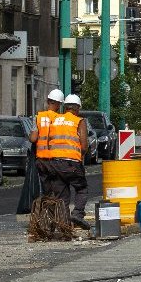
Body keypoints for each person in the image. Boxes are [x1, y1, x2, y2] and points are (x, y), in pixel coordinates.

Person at [18, 89, 64, 216]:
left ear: (48, 101)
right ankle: (54, 213)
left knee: (44, 187)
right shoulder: (61, 119)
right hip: (56, 160)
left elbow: (33, 139)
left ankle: (43, 213)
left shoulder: (39, 117)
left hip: (42, 160)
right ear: (59, 104)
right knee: (58, 188)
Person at [55, 95, 91, 226]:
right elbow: (84, 145)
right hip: (72, 162)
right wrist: (81, 155)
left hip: (54, 162)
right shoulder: (79, 121)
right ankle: (77, 214)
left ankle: (64, 223)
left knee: (63, 193)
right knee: (81, 188)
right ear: (77, 108)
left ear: (65, 107)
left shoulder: (56, 120)